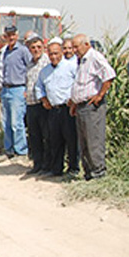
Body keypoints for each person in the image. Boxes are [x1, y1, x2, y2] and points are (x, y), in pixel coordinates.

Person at [68, 34, 116, 181]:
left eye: (76, 46)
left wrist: (99, 96)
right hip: (81, 106)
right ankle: (88, 173)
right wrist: (75, 103)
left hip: (91, 107)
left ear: (86, 45)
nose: (74, 50)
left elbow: (109, 75)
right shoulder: (82, 61)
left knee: (93, 140)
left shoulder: (95, 57)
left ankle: (98, 173)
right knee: (84, 141)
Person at [36, 39, 79, 177]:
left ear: (61, 53)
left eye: (56, 53)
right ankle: (56, 169)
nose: (54, 56)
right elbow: (39, 87)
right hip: (53, 110)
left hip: (68, 109)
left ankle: (73, 168)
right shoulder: (45, 71)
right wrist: (43, 99)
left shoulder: (71, 67)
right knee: (54, 140)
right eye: (51, 54)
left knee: (71, 140)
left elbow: (78, 84)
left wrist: (74, 101)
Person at [0, 25, 32, 158]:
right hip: (6, 89)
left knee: (16, 123)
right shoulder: (5, 52)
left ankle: (21, 151)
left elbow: (30, 69)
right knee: (6, 122)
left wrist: (27, 89)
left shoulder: (23, 51)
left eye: (13, 35)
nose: (11, 37)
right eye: (8, 35)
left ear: (17, 35)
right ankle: (9, 149)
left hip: (18, 89)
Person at [24, 34, 50, 174]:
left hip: (42, 104)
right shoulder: (30, 64)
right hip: (31, 104)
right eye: (33, 47)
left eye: (39, 47)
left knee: (45, 135)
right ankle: (37, 164)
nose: (36, 50)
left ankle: (46, 165)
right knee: (34, 136)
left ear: (43, 47)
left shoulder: (46, 62)